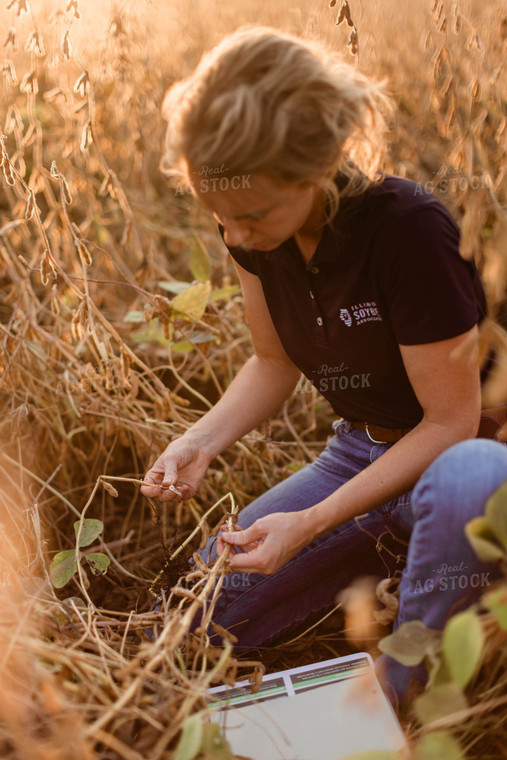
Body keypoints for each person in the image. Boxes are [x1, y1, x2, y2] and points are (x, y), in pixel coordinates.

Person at [141, 27, 507, 705]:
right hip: (359, 457)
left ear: (316, 168)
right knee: (194, 615)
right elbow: (271, 360)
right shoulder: (255, 232)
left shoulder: (408, 231)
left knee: (469, 480)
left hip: (467, 456)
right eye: (218, 217)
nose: (234, 238)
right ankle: (393, 559)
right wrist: (200, 441)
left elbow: (451, 423)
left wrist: (312, 524)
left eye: (250, 216)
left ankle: (403, 700)